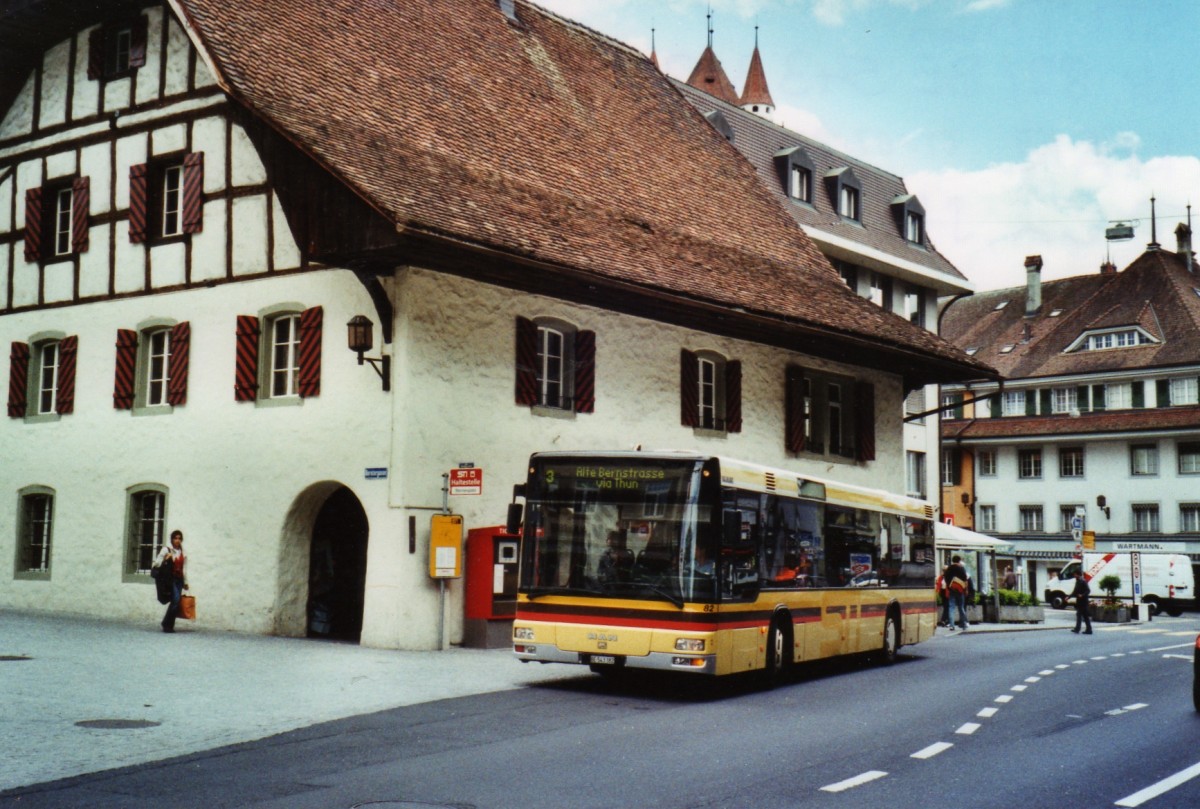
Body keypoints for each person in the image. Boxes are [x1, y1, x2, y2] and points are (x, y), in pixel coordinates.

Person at [152, 529, 189, 633]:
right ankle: (167, 624)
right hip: (170, 578)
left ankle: (167, 624)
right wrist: (165, 558)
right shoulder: (166, 550)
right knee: (176, 600)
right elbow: (157, 564)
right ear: (172, 539)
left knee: (175, 602)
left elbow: (184, 569)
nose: (177, 540)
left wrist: (185, 582)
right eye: (175, 538)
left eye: (179, 538)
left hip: (179, 579)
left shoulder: (183, 552)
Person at [944, 555, 969, 631]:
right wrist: (966, 589)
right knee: (961, 607)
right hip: (960, 590)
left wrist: (949, 586)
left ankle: (952, 625)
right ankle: (964, 624)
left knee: (951, 607)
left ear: (952, 560)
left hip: (952, 589)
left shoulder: (949, 568)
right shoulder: (961, 568)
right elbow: (965, 579)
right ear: (959, 560)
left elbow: (946, 578)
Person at [1070, 569, 1093, 634]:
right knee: (1081, 615)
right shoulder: (1077, 581)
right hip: (1079, 601)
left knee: (1082, 615)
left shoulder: (1083, 581)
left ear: (1078, 574)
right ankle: (1087, 629)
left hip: (1084, 602)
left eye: (1075, 574)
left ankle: (1081, 629)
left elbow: (1088, 590)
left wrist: (1082, 595)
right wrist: (1068, 597)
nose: (1074, 575)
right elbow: (1075, 591)